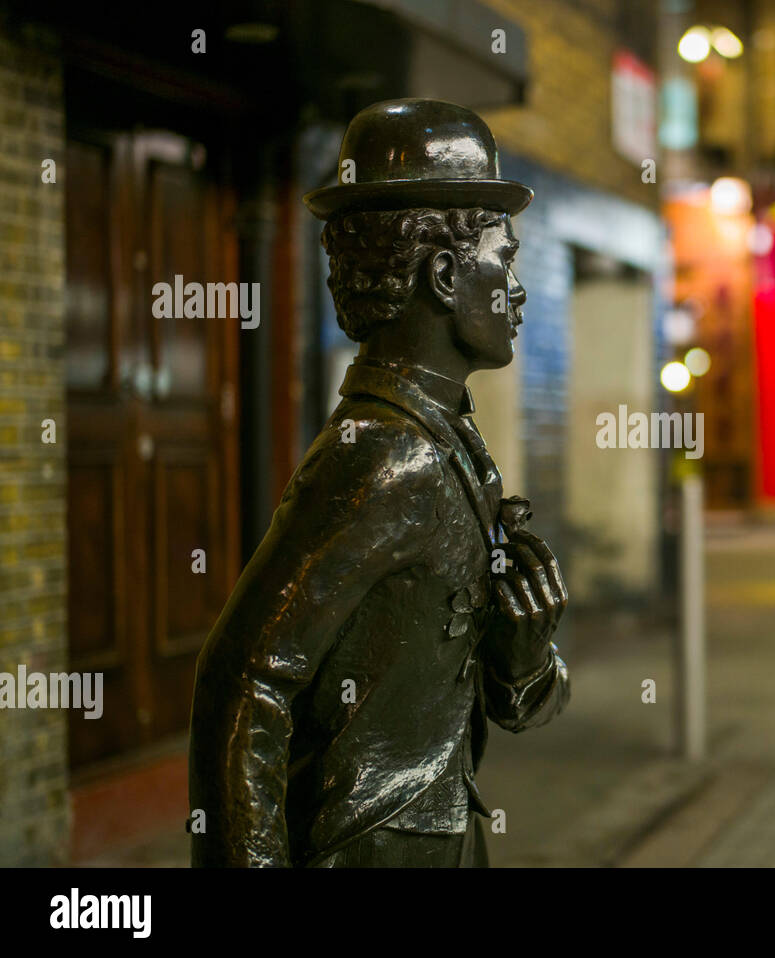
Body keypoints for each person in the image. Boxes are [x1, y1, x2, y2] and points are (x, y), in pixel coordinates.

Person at [189, 100, 570, 868]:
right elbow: (244, 680)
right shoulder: (384, 458)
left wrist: (524, 655)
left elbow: (494, 697)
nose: (518, 290)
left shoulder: (443, 440)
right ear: (443, 273)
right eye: (508, 260)